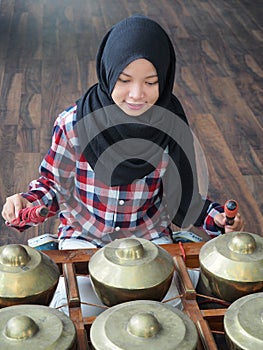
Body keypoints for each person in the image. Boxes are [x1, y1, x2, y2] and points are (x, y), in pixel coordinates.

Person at [2, 14, 244, 316]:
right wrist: (26, 203)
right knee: (71, 313)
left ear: (165, 80)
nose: (136, 94)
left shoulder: (172, 127)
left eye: (151, 82)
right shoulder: (72, 124)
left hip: (148, 240)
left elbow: (184, 199)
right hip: (85, 239)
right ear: (107, 73)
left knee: (170, 320)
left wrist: (218, 219)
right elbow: (52, 188)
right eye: (124, 80)